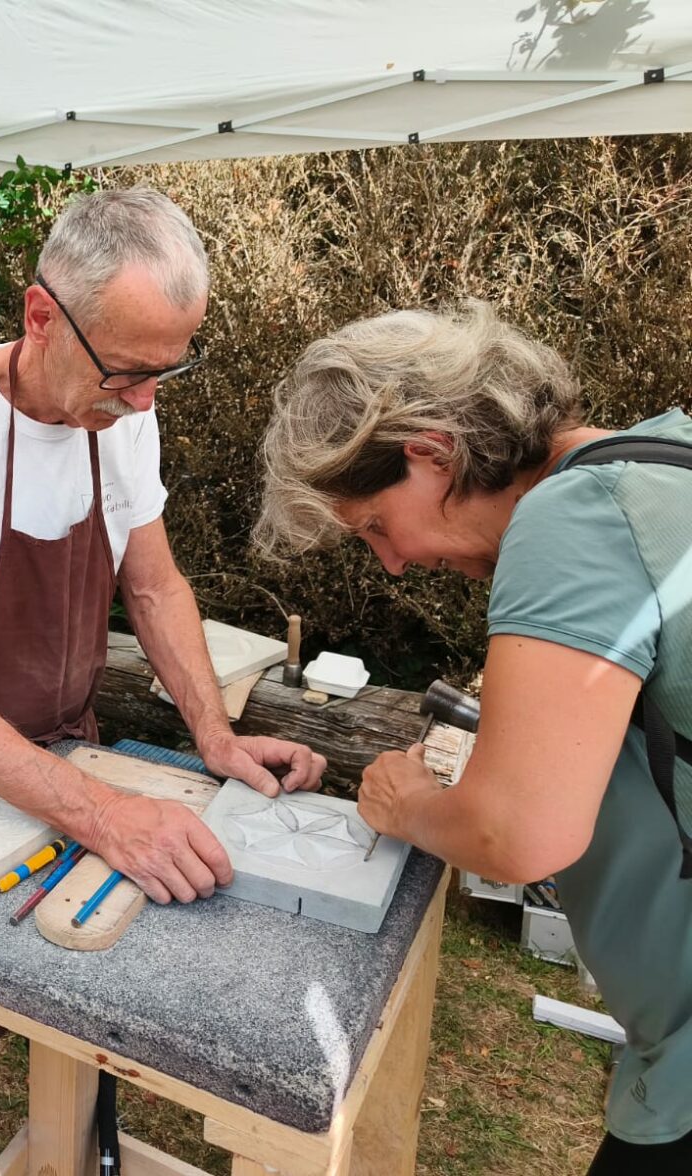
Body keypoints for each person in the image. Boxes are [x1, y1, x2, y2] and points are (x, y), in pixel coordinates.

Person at [0, 188, 328, 1174]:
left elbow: (152, 583)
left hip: (66, 744)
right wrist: (101, 816)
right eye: (125, 370)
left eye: (166, 371)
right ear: (39, 315)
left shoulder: (121, 411)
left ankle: (86, 1153)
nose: (144, 400)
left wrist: (212, 735)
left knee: (90, 995)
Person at [253, 300, 692, 1175]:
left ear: (432, 453)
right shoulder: (665, 455)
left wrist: (410, 803)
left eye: (377, 524)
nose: (393, 561)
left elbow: (516, 832)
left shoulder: (575, 520)